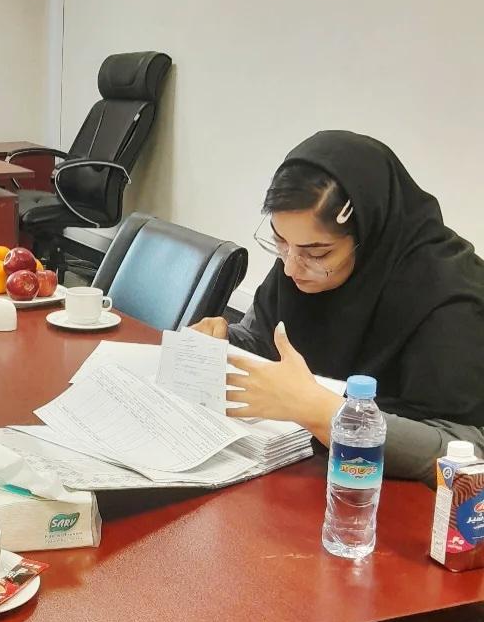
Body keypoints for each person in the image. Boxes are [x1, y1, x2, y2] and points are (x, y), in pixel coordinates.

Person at [193, 131, 484, 484]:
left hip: (392, 498)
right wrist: (227, 340)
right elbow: (268, 344)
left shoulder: (448, 299)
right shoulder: (299, 261)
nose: (291, 269)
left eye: (318, 253)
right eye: (280, 242)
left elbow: (467, 449)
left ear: (369, 233)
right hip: (303, 473)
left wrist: (327, 413)